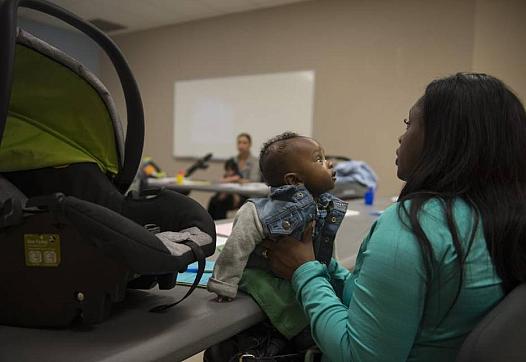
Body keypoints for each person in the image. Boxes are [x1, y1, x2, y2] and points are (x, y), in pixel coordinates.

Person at [261, 73, 526, 361]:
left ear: (443, 138)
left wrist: (305, 273)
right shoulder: (501, 217)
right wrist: (321, 266)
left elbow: (358, 355)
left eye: (409, 124)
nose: (402, 136)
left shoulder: (415, 227)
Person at [207, 132, 348, 342]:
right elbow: (237, 245)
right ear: (294, 180)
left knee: (329, 290)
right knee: (280, 299)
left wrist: (325, 269)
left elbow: (325, 243)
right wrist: (224, 284)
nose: (329, 163)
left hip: (297, 271)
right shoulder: (259, 210)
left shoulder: (324, 205)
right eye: (319, 160)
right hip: (261, 272)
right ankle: (301, 332)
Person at [207, 133, 260, 220]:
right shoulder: (233, 160)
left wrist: (234, 180)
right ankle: (209, 226)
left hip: (246, 194)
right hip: (231, 192)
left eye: (244, 143)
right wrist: (235, 180)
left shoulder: (255, 162)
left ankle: (219, 228)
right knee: (213, 201)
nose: (241, 145)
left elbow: (253, 181)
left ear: (250, 145)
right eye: (239, 143)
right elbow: (226, 177)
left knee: (221, 203)